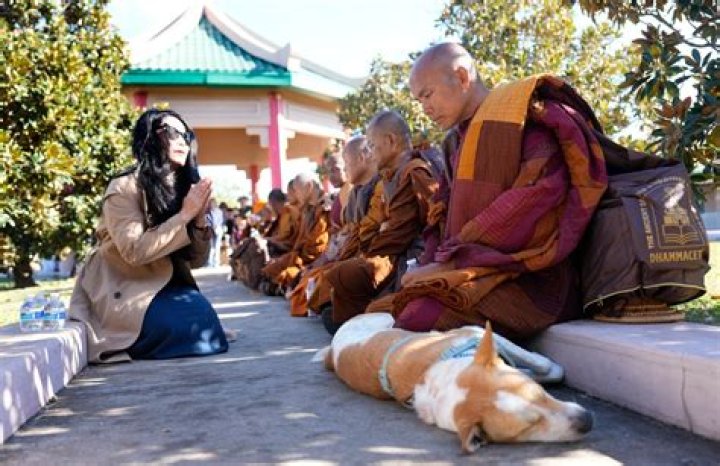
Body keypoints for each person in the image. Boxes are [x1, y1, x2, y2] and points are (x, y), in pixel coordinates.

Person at [386, 42, 608, 340]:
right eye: (419, 100)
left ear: (462, 76)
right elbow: (441, 215)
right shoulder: (454, 142)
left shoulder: (526, 117)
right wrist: (432, 263)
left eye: (428, 94)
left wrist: (451, 262)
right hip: (469, 270)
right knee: (384, 309)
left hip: (531, 280)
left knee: (419, 317)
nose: (425, 108)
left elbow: (537, 199)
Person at [69, 108, 229, 363]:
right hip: (125, 282)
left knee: (204, 327)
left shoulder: (182, 188)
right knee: (183, 330)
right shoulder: (124, 188)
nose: (182, 141)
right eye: (172, 132)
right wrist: (185, 215)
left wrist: (199, 222)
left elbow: (197, 261)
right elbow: (134, 251)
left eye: (186, 135)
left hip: (166, 283)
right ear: (150, 138)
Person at [322, 110, 439, 333]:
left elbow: (400, 231)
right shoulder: (391, 175)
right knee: (341, 274)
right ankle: (354, 320)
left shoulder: (414, 172)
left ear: (391, 141)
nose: (371, 153)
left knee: (348, 275)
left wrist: (371, 247)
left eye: (373, 146)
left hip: (414, 256)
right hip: (393, 252)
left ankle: (359, 321)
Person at [289, 136, 383, 317]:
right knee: (323, 276)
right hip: (347, 250)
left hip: (376, 253)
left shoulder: (380, 186)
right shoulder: (354, 192)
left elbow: (377, 229)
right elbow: (350, 231)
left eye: (343, 165)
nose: (344, 170)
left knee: (333, 275)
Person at [260, 174, 331, 294]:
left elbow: (320, 244)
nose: (296, 195)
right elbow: (300, 240)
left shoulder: (326, 207)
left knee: (286, 275)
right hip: (300, 256)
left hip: (316, 259)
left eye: (297, 191)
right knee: (269, 270)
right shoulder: (307, 209)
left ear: (309, 187)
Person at [206, 198, 224, 267]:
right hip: (210, 229)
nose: (212, 205)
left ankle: (216, 262)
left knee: (217, 246)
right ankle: (210, 262)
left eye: (213, 203)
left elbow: (221, 220)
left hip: (218, 229)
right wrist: (211, 226)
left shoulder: (219, 211)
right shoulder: (207, 212)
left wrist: (216, 225)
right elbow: (206, 221)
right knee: (211, 246)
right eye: (210, 203)